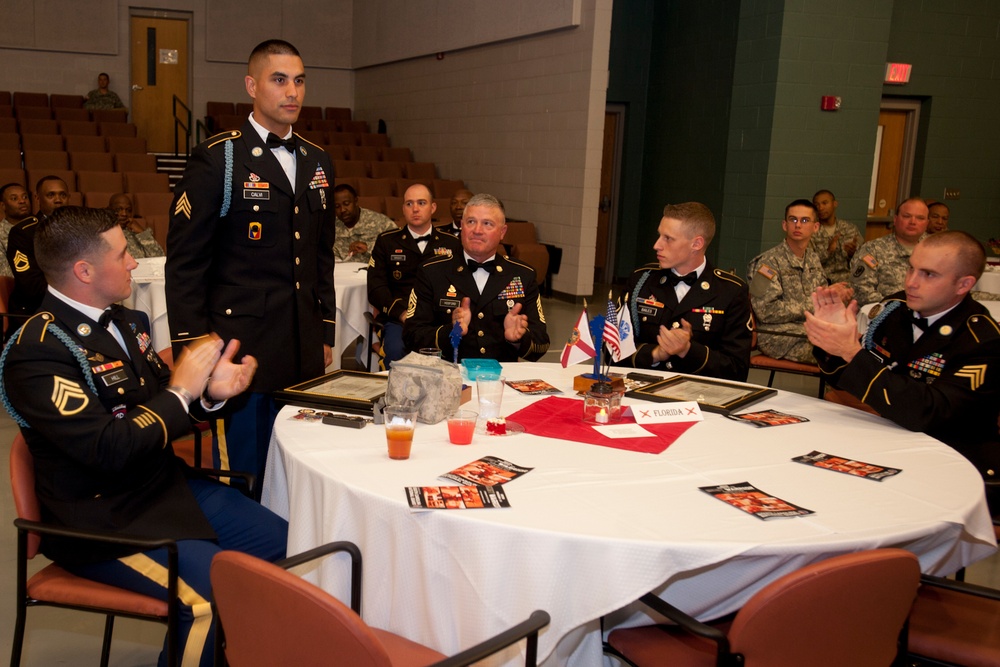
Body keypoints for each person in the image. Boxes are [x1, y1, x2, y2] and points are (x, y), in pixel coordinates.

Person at [0, 206, 288, 667]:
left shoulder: (128, 324)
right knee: (208, 600)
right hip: (100, 519)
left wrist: (210, 395)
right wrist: (180, 391)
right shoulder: (36, 352)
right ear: (85, 270)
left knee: (287, 545)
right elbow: (108, 448)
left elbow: (164, 407)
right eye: (123, 252)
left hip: (160, 488)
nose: (134, 261)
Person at [165, 39, 336, 487]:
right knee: (248, 476)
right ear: (251, 85)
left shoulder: (318, 160)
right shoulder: (218, 158)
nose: (292, 92)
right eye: (279, 80)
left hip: (303, 346)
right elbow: (185, 264)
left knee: (301, 469)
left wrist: (325, 330)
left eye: (299, 81)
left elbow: (320, 254)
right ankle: (245, 557)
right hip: (243, 351)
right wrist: (196, 350)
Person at [805, 231, 999, 510]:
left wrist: (850, 351)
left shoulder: (982, 340)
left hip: (952, 461)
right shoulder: (896, 311)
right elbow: (854, 384)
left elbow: (925, 413)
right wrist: (832, 342)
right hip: (890, 440)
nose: (911, 282)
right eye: (911, 268)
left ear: (964, 284)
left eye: (929, 274)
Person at [403, 193, 549, 361]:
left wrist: (518, 340)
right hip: (449, 376)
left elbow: (541, 343)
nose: (477, 231)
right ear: (462, 226)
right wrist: (451, 331)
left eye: (487, 224)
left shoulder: (522, 275)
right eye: (471, 222)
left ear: (502, 232)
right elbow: (411, 336)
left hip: (500, 378)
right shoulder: (432, 272)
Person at [618, 202, 751, 380]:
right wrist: (656, 354)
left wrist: (688, 350)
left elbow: (737, 369)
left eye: (668, 238)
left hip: (701, 396)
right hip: (643, 388)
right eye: (659, 236)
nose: (656, 245)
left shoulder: (730, 292)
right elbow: (612, 350)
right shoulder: (641, 281)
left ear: (696, 244)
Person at [748, 199, 852, 363]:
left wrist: (834, 296)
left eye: (805, 220)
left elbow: (822, 301)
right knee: (838, 354)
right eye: (793, 220)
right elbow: (766, 311)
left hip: (808, 331)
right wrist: (815, 304)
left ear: (815, 227)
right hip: (779, 336)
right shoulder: (767, 263)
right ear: (784, 225)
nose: (798, 225)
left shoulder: (812, 259)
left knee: (852, 344)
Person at [368, 183, 462, 365]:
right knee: (395, 353)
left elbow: (461, 283)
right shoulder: (386, 241)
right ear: (403, 209)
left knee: (455, 354)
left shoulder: (451, 243)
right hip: (399, 318)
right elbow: (376, 288)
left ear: (433, 207)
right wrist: (402, 313)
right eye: (409, 204)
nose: (415, 209)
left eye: (421, 203)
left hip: (439, 318)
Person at [7, 176, 69, 329]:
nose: (58, 200)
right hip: (37, 310)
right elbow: (30, 285)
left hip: (75, 307)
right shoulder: (24, 233)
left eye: (62, 195)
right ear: (37, 198)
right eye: (51, 195)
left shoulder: (80, 228)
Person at [850, 197, 929, 305]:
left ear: (927, 223)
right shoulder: (873, 250)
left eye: (920, 218)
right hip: (887, 314)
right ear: (895, 220)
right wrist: (899, 308)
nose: (913, 222)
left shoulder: (935, 251)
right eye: (907, 216)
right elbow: (861, 291)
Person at [332, 183, 396, 263]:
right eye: (337, 206)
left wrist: (368, 248)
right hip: (341, 273)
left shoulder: (381, 222)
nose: (342, 210)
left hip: (373, 273)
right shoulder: (331, 227)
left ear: (356, 202)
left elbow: (398, 251)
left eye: (346, 204)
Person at [810, 189, 863, 283]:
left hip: (847, 281)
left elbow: (864, 259)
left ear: (834, 204)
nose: (820, 208)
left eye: (824, 203)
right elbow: (808, 262)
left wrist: (853, 253)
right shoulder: (811, 231)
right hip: (822, 282)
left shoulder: (849, 228)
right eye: (816, 205)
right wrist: (828, 252)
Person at [109, 193, 164, 258]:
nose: (124, 214)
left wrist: (141, 232)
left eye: (128, 210)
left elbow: (160, 257)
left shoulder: (139, 234)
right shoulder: (102, 233)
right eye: (119, 209)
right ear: (109, 210)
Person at [0, 182, 34, 278]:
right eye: (14, 198)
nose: (22, 201)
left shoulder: (39, 228)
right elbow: (5, 276)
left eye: (25, 197)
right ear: (3, 206)